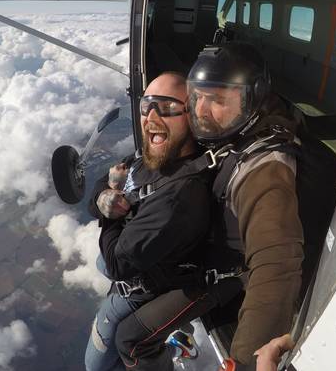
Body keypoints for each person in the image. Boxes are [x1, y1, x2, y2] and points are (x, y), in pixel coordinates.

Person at [185, 43, 304, 369]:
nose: (201, 111)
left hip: (223, 277)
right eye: (199, 97)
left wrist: (246, 361)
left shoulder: (265, 166)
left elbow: (276, 264)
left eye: (218, 100)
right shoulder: (233, 131)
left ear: (252, 100)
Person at [84, 72, 213, 371]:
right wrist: (105, 199)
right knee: (99, 265)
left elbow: (118, 265)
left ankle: (166, 348)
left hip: (138, 290)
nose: (151, 116)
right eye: (147, 106)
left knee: (96, 365)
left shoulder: (179, 197)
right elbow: (97, 199)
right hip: (134, 261)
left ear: (193, 115)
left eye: (166, 107)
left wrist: (111, 203)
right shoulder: (148, 158)